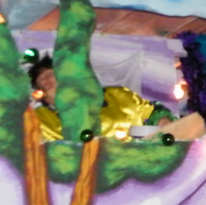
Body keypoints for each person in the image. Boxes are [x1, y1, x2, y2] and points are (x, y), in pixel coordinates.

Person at [29, 55, 175, 141]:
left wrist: (163, 120)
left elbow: (150, 112)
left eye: (50, 74)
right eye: (40, 80)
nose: (45, 80)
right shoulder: (40, 118)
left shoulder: (116, 95)